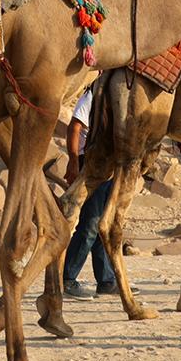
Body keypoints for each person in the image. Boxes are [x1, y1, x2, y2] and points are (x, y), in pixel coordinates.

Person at [61, 87, 118, 299]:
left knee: (104, 224)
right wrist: (74, 161)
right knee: (90, 225)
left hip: (110, 165)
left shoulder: (118, 93)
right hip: (91, 162)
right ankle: (67, 279)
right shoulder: (94, 93)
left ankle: (106, 280)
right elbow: (75, 126)